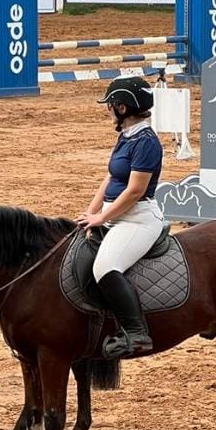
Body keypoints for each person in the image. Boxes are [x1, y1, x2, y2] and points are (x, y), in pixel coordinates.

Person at [77, 76, 165, 359]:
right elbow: (111, 177)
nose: (108, 109)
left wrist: (101, 218)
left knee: (105, 266)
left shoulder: (147, 142)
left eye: (111, 105)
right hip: (116, 215)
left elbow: (135, 191)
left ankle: (137, 333)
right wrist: (91, 211)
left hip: (137, 219)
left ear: (123, 108)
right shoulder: (126, 136)